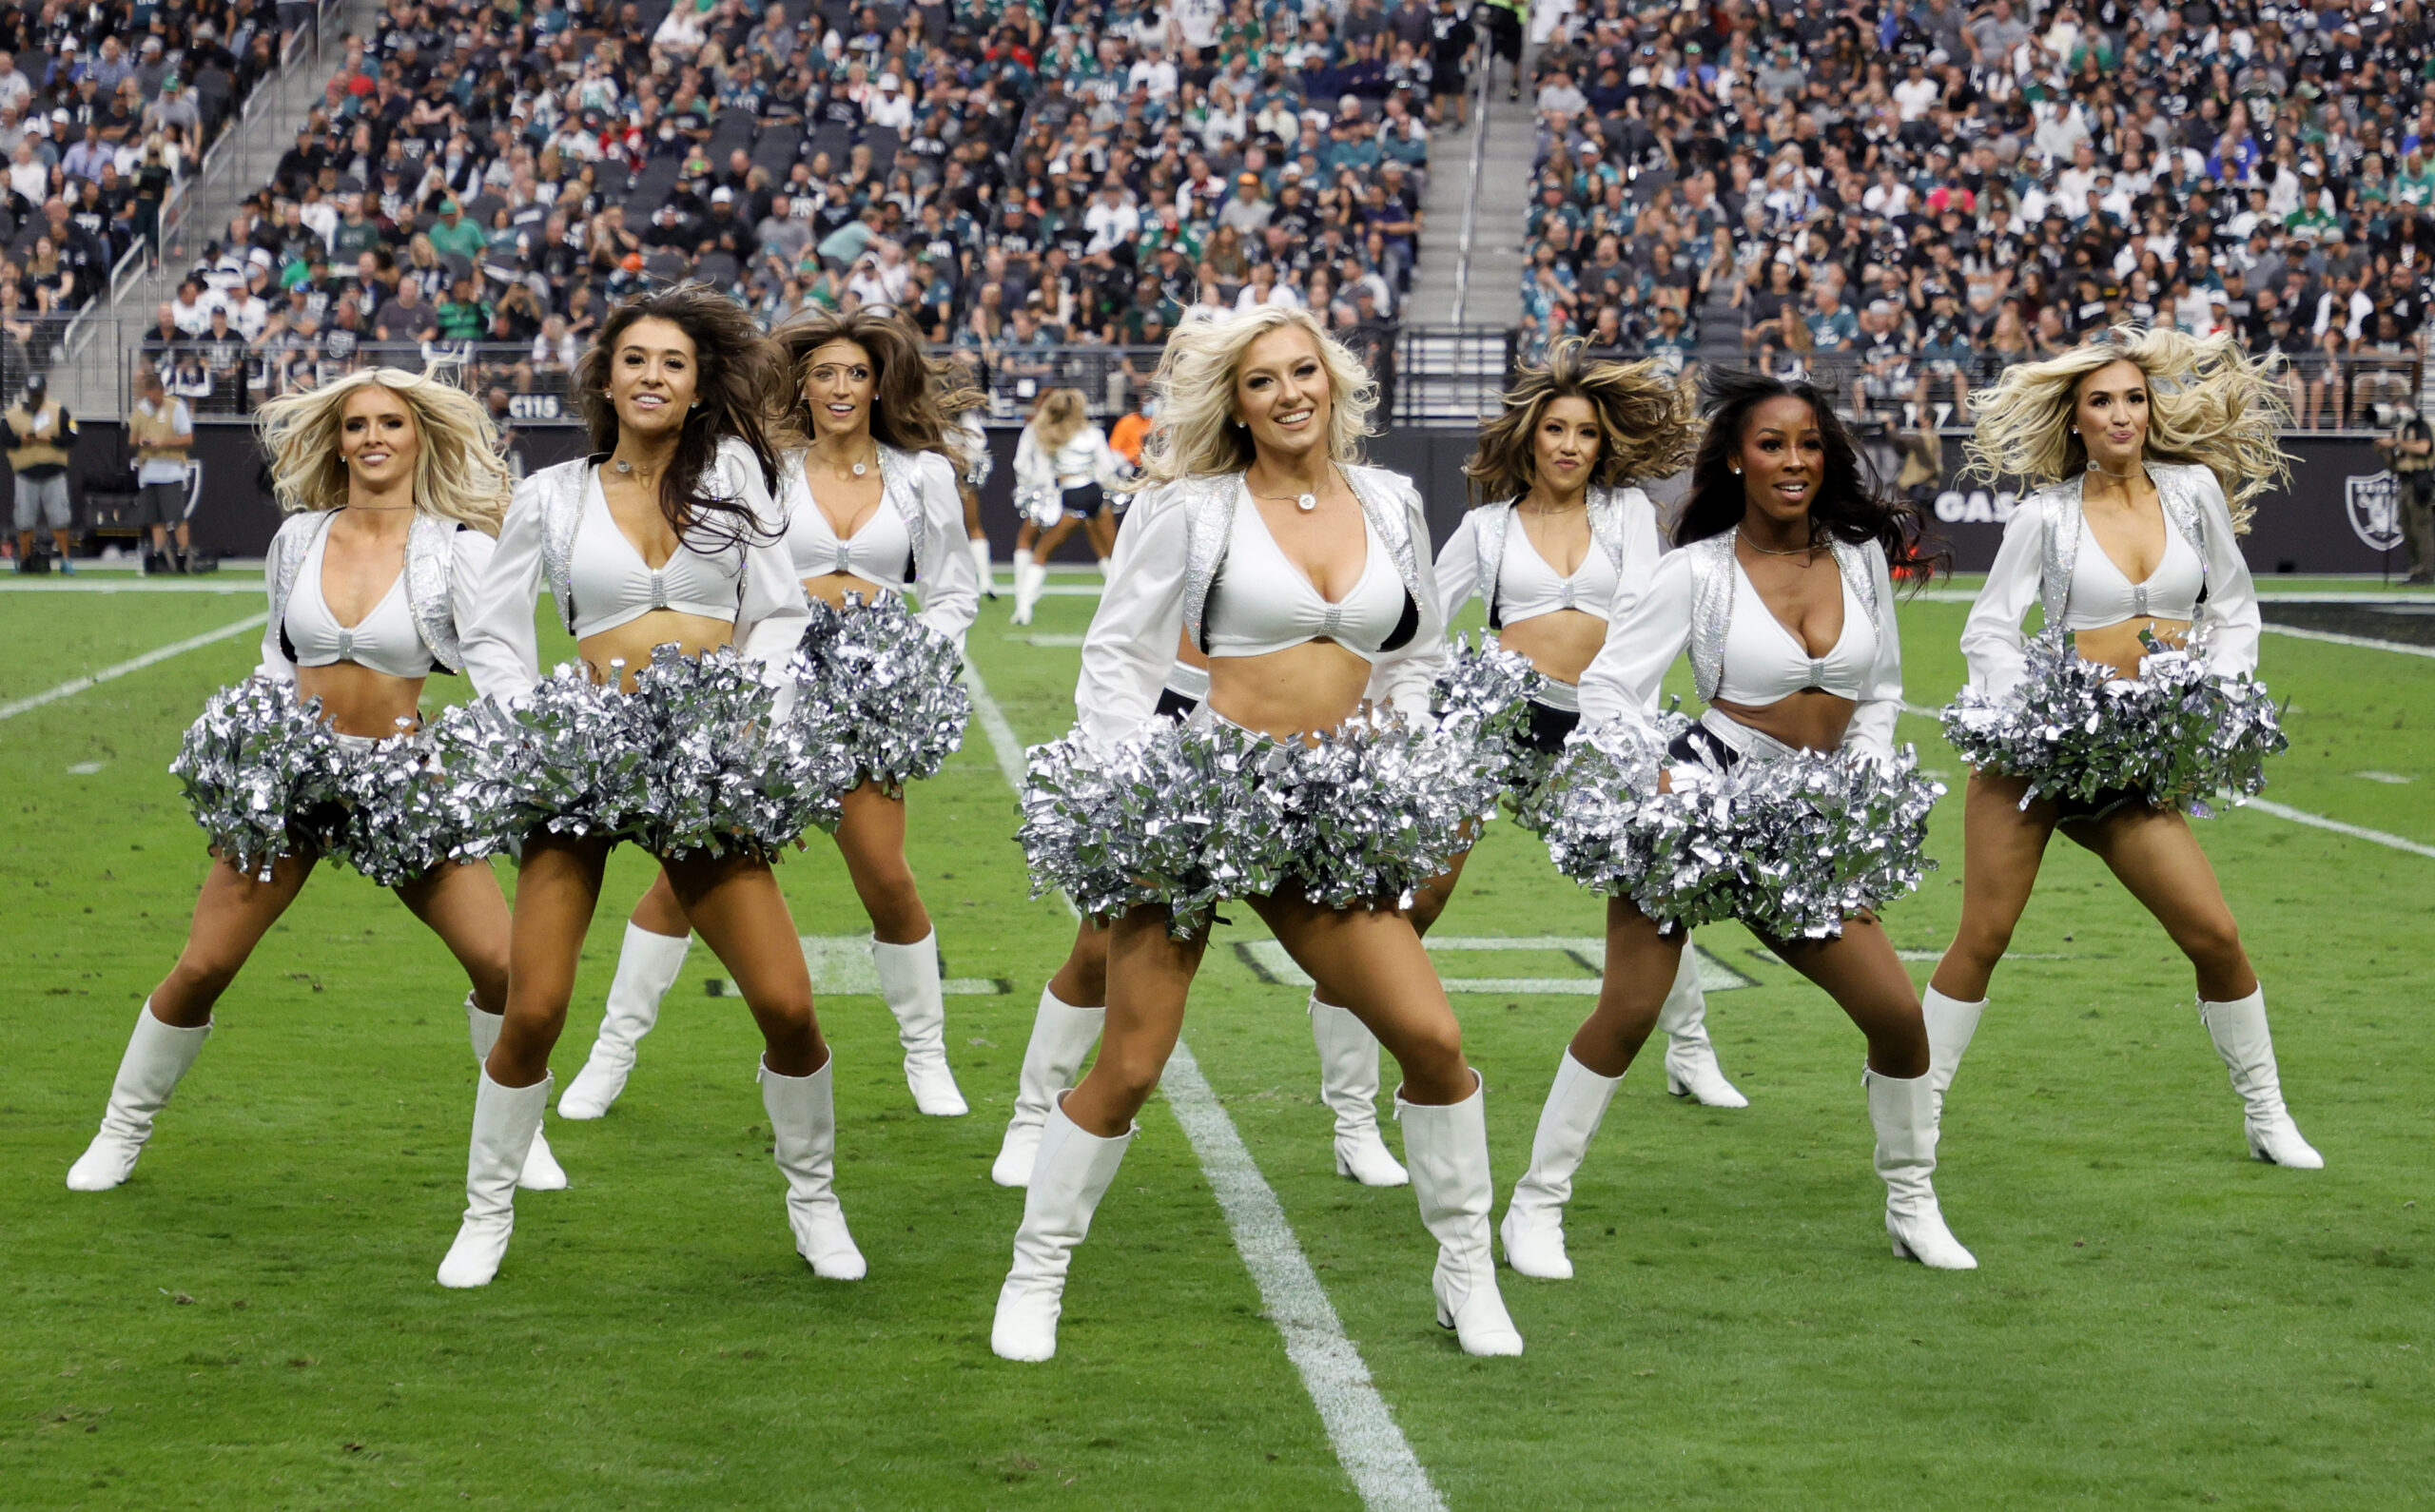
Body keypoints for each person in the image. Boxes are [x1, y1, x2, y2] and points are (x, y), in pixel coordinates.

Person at [1003, 306, 1524, 1360]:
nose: (1288, 394)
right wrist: (1129, 786)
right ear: (1232, 405)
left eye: (1302, 372)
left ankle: (1465, 1272)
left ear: (1331, 381)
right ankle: (1037, 1270)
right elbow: (1117, 657)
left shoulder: (1390, 501)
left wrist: (1400, 755)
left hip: (1332, 803)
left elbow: (1414, 653)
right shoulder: (1190, 509)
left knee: (1429, 1040)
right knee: (1135, 1061)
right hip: (1204, 790)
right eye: (1260, 382)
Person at [439, 283, 854, 1289]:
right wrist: (527, 714)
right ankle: (485, 1210)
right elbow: (491, 627)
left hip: (705, 758)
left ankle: (815, 1199)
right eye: (636, 361)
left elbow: (781, 614)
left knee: (789, 1006)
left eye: (673, 362)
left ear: (699, 379)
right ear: (606, 377)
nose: (653, 377)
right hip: (584, 758)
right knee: (534, 1008)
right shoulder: (551, 495)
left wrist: (746, 711)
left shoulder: (739, 480)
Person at [62, 369, 565, 1194]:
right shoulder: (297, 538)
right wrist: (251, 752)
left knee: (506, 968)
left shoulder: (461, 550)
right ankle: (121, 1131)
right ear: (337, 440)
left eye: (391, 424)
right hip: (293, 772)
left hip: (403, 779)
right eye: (358, 424)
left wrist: (514, 755)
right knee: (202, 966)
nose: (373, 438)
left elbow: (504, 673)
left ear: (419, 438)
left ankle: (522, 1126)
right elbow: (275, 657)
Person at [1533, 369, 1969, 1276]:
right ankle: (1538, 1206)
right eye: (1772, 444)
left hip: (1807, 823)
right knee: (1630, 1009)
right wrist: (1654, 776)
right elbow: (1612, 684)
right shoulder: (1693, 569)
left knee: (1896, 1017)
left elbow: (1879, 689)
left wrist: (1869, 777)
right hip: (1704, 798)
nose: (1795, 460)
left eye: (1809, 444)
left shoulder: (1856, 560)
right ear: (1735, 459)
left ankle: (1912, 1201)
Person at [558, 309, 981, 1123]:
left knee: (885, 877)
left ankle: (926, 1054)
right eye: (824, 373)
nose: (841, 388)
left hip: (868, 692)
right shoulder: (765, 467)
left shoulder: (922, 475)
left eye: (857, 374)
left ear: (880, 385)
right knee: (685, 879)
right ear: (803, 385)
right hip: (767, 682)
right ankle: (610, 1055)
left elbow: (955, 589)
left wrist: (915, 653)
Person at [1930, 328, 2319, 1170]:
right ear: (2074, 418)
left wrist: (2213, 696)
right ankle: (1910, 1107)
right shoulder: (2045, 513)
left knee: (2213, 933)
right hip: (2040, 750)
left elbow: (2234, 610)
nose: (2120, 415)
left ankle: (2266, 1113)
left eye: (2133, 399)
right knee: (1983, 938)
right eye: (2101, 401)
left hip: (2135, 760)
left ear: (2151, 410)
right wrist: (2034, 712)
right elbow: (1991, 630)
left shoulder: (2192, 493)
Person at [1430, 340, 1748, 1135]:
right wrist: (1442, 698)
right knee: (1423, 891)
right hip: (1499, 720)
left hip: (1605, 723)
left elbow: (1647, 617)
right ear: (1529, 438)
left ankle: (1690, 1049)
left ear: (1603, 446)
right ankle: (1357, 1080)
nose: (1570, 446)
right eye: (1556, 430)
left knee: (1650, 885)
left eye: (1586, 433)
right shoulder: (1484, 527)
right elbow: (1420, 621)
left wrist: (1630, 728)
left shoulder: (1628, 515)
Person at [1006, 388, 1131, 625]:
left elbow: (1041, 474)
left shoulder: (1049, 434)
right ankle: (1123, 606)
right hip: (1095, 494)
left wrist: (1041, 498)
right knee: (1110, 554)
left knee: (1042, 552)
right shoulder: (1093, 434)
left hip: (1071, 496)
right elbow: (1106, 470)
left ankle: (1023, 608)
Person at [127, 369, 196, 572]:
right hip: (149, 471)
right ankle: (161, 556)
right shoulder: (140, 410)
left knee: (176, 517)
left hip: (171, 469)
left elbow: (188, 439)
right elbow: (131, 441)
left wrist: (163, 443)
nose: (153, 399)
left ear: (162, 390)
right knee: (154, 519)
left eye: (156, 395)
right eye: (149, 395)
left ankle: (184, 555)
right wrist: (141, 442)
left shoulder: (177, 407)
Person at [5, 373, 74, 572]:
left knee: (60, 519)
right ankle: (24, 560)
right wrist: (20, 440)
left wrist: (51, 440)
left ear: (45, 391)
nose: (35, 397)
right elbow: (4, 440)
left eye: (38, 393)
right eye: (32, 393)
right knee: (24, 520)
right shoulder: (12, 415)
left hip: (54, 473)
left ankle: (66, 559)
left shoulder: (59, 411)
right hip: (26, 474)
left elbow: (73, 436)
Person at [2376, 406, 2434, 584]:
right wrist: (2384, 451)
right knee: (2407, 527)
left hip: (2420, 480)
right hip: (2404, 481)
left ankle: (2428, 571)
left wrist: (2395, 444)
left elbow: (2425, 448)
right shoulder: (2401, 433)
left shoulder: (2421, 426)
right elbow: (2396, 464)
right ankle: (2417, 569)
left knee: (2420, 527)